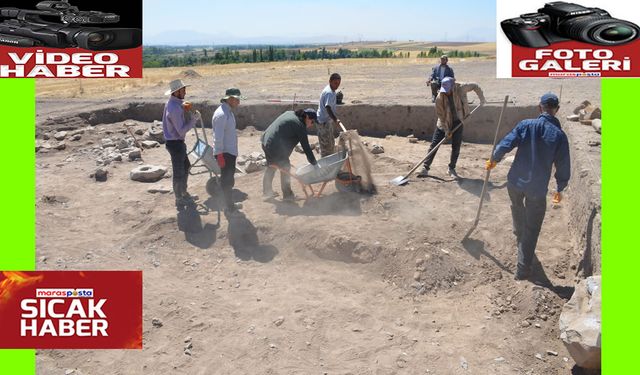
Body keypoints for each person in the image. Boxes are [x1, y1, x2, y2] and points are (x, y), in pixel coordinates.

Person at [486, 93, 571, 280]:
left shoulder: (525, 125)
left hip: (515, 182)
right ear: (556, 110)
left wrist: (494, 159)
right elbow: (563, 165)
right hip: (536, 189)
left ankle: (518, 231)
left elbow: (505, 144)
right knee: (532, 229)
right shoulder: (559, 136)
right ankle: (522, 271)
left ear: (539, 107)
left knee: (517, 206)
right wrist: (560, 187)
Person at [417, 76, 485, 179]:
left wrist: (482, 98)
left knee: (456, 146)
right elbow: (442, 117)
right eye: (445, 90)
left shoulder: (461, 88)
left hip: (458, 121)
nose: (446, 92)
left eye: (448, 90)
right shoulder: (439, 98)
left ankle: (451, 168)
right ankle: (425, 168)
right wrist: (447, 130)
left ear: (453, 86)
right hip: (444, 123)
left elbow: (475, 86)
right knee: (434, 145)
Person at [261, 109, 318, 201]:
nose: (312, 125)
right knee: (285, 167)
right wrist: (315, 164)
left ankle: (267, 192)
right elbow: (306, 148)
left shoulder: (290, 113)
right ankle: (288, 196)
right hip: (273, 146)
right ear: (307, 117)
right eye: (312, 122)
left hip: (265, 141)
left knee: (272, 166)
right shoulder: (300, 126)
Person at [162, 79, 201, 209]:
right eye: (183, 90)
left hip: (175, 143)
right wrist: (193, 119)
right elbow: (181, 130)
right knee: (179, 172)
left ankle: (183, 193)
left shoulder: (173, 103)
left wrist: (184, 107)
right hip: (176, 143)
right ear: (177, 92)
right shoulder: (174, 108)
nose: (185, 92)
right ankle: (179, 199)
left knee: (186, 167)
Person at [212, 88, 245, 214]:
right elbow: (218, 137)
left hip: (229, 152)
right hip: (225, 153)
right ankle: (228, 207)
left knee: (228, 179)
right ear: (230, 99)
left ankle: (229, 205)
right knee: (227, 180)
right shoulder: (222, 115)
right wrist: (219, 154)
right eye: (237, 100)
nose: (239, 102)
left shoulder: (227, 112)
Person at [317, 73, 344, 157]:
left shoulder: (331, 90)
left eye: (339, 83)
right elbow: (328, 107)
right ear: (330, 81)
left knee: (330, 142)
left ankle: (329, 161)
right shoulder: (329, 92)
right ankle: (325, 166)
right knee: (326, 147)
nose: (337, 85)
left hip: (326, 121)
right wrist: (335, 119)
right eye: (335, 83)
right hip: (323, 122)